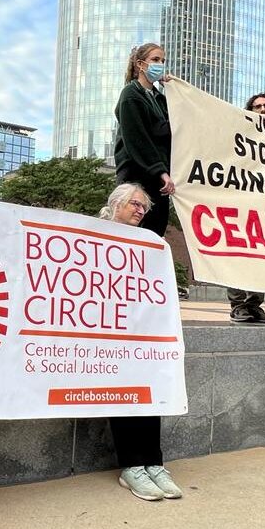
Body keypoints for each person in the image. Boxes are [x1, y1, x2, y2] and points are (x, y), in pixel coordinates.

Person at [97, 184, 184, 502]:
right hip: (111, 336)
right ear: (116, 204)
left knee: (151, 397)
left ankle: (154, 463)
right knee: (123, 398)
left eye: (143, 207)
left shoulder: (150, 244)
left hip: (143, 336)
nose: (139, 210)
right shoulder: (94, 236)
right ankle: (131, 467)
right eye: (134, 204)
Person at [226, 94, 265, 324]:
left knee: (263, 257)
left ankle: (254, 305)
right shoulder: (238, 133)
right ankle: (238, 305)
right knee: (239, 254)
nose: (262, 110)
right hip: (242, 202)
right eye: (257, 106)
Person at [113, 43, 174, 239]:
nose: (160, 65)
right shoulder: (131, 94)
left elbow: (173, 129)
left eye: (163, 61)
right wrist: (160, 171)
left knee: (155, 231)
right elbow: (138, 139)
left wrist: (174, 90)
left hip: (158, 179)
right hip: (138, 175)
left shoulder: (160, 99)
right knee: (133, 230)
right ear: (140, 64)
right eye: (155, 60)